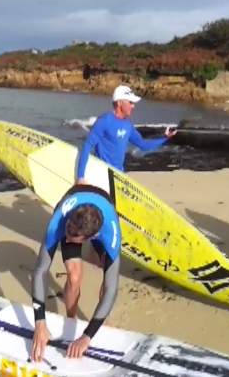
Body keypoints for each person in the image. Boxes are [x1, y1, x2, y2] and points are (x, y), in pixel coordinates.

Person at [31, 183, 121, 361]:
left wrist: (86, 337)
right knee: (74, 277)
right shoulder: (61, 220)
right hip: (73, 206)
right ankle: (70, 320)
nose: (67, 234)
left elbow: (112, 288)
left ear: (90, 238)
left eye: (72, 237)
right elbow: (40, 270)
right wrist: (39, 323)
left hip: (103, 217)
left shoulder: (112, 233)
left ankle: (102, 322)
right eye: (67, 232)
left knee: (108, 271)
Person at [76, 85, 177, 184]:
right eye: (130, 102)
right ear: (119, 103)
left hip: (119, 176)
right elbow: (87, 146)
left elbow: (144, 146)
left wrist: (165, 138)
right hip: (102, 174)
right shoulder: (104, 121)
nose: (133, 106)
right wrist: (80, 177)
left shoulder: (128, 126)